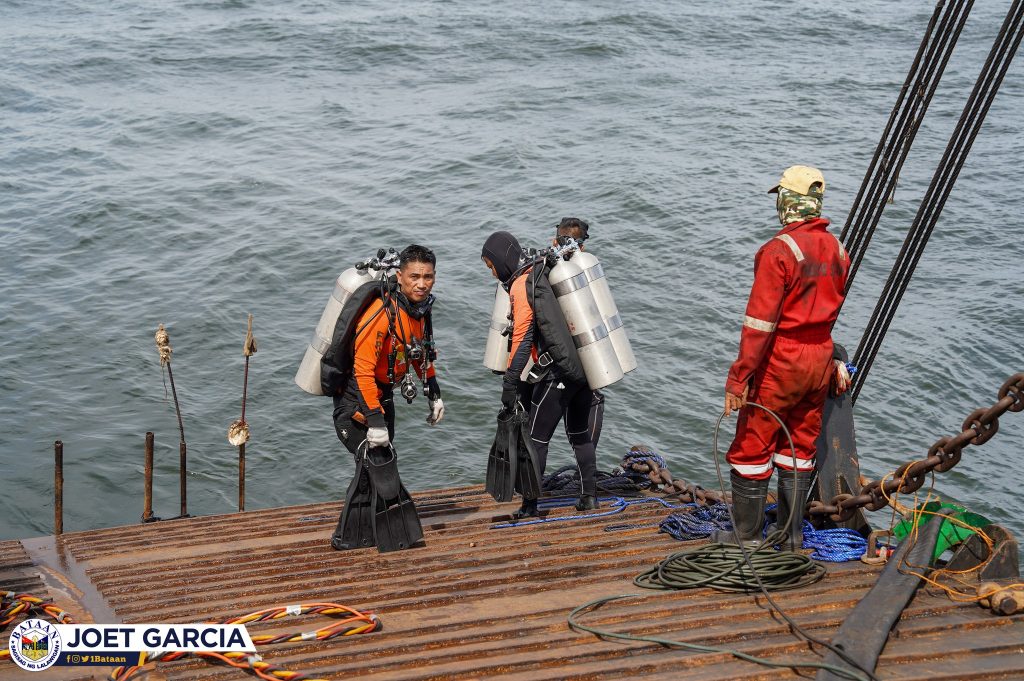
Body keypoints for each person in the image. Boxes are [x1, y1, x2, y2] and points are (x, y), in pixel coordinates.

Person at [721, 166, 849, 550]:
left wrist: (739, 377)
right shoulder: (838, 250)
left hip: (782, 358)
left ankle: (745, 535)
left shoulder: (779, 250)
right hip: (819, 358)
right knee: (799, 444)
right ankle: (790, 535)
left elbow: (759, 324)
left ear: (788, 201)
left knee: (752, 444)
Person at [330, 244, 444, 552]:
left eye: (428, 277)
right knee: (374, 464)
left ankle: (365, 533)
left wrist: (433, 393)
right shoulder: (382, 315)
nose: (422, 284)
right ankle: (347, 537)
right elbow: (363, 370)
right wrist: (374, 421)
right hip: (355, 401)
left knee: (375, 465)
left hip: (383, 396)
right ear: (400, 275)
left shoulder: (419, 310)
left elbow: (421, 352)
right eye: (415, 276)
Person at [481, 231, 600, 518]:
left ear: (502, 259)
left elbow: (522, 338)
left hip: (556, 372)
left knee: (536, 438)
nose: (492, 272)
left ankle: (531, 506)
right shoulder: (543, 271)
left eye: (490, 265)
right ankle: (589, 498)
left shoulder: (523, 284)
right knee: (580, 436)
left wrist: (510, 382)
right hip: (582, 365)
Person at [552, 217, 605, 449]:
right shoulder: (590, 271)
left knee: (538, 435)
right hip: (586, 361)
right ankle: (587, 476)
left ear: (555, 241)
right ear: (582, 246)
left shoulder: (547, 269)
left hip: (554, 365)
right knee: (583, 436)